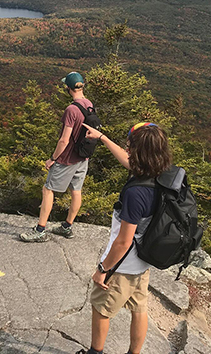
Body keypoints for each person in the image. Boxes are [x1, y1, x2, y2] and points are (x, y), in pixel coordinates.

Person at [77, 122, 173, 354]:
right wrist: (103, 138)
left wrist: (103, 269)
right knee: (139, 308)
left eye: (129, 145)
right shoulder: (163, 175)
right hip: (144, 259)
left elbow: (123, 241)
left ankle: (95, 352)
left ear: (136, 151)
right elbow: (129, 163)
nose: (126, 148)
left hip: (123, 265)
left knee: (101, 308)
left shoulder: (135, 193)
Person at [20, 71, 93, 242]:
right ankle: (67, 227)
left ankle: (40, 230)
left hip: (67, 159)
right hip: (83, 157)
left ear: (68, 88)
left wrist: (53, 159)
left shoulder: (71, 109)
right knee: (76, 191)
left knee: (48, 189)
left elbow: (64, 140)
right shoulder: (89, 104)